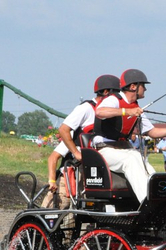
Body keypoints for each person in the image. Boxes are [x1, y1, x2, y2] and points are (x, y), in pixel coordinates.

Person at [93, 69, 166, 204]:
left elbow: (153, 132)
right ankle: (148, 203)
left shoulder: (136, 108)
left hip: (123, 149)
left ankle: (162, 200)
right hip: (104, 150)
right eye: (143, 86)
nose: (145, 89)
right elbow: (100, 112)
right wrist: (126, 111)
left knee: (146, 166)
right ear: (133, 86)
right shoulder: (114, 99)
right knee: (131, 160)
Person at [42, 74, 120, 208]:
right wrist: (52, 180)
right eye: (116, 93)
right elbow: (53, 156)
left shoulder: (110, 118)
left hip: (91, 178)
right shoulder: (82, 117)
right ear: (106, 92)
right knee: (59, 213)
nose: (118, 98)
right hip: (69, 178)